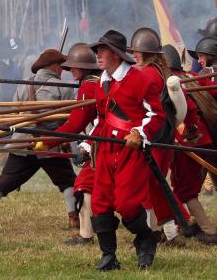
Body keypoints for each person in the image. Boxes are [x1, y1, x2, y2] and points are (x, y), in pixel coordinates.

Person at [0, 49, 77, 233]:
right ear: (55, 67)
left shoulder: (23, 85)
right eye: (61, 67)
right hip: (49, 142)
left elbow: (16, 114)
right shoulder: (64, 87)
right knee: (68, 181)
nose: (63, 70)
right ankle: (73, 220)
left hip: (21, 141)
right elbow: (71, 119)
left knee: (5, 180)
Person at [88, 30, 165, 270]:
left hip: (130, 151)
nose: (98, 55)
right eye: (98, 50)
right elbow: (101, 119)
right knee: (100, 202)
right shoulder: (102, 82)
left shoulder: (139, 79)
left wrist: (138, 133)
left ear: (116, 54)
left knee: (127, 204)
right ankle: (109, 257)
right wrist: (86, 143)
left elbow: (156, 115)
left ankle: (146, 238)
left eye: (102, 50)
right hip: (106, 149)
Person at [128, 28, 190, 245]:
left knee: (153, 183)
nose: (134, 55)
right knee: (154, 184)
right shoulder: (158, 71)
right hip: (161, 135)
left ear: (146, 52)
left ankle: (177, 225)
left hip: (155, 135)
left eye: (137, 51)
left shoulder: (147, 74)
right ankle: (169, 232)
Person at [34, 43, 100, 245]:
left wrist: (49, 140)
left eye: (73, 66)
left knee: (84, 185)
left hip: (103, 143)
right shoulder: (94, 83)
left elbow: (76, 122)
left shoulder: (89, 87)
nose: (70, 70)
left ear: (83, 67)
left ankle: (86, 234)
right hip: (100, 141)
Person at [164, 44, 217, 244]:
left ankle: (208, 230)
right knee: (185, 185)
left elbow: (185, 113)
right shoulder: (188, 77)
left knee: (184, 188)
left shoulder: (173, 83)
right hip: (203, 140)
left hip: (188, 141)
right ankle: (191, 222)